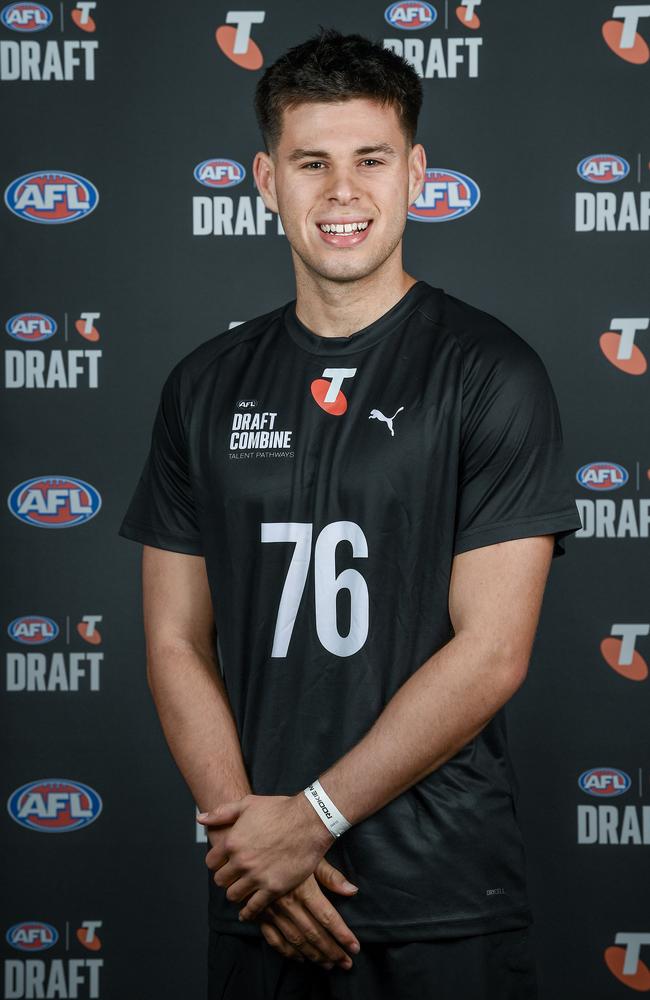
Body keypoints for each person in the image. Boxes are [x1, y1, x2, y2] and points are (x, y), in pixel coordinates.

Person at [118, 25, 583, 1000]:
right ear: (262, 179)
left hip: (440, 894)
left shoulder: (488, 371)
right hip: (261, 890)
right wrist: (249, 835)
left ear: (414, 173)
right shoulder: (202, 386)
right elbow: (170, 638)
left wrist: (313, 816)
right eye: (309, 162)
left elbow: (492, 648)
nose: (340, 191)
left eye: (369, 160)